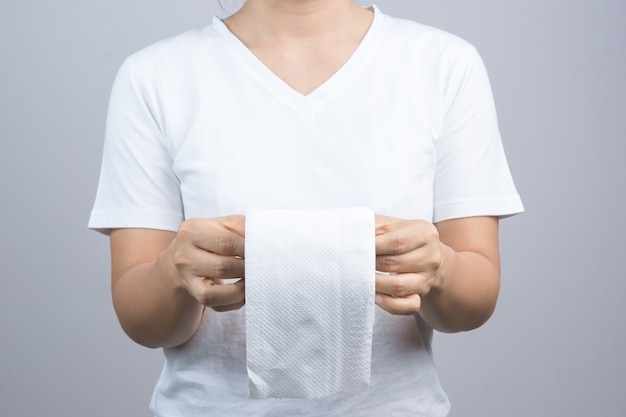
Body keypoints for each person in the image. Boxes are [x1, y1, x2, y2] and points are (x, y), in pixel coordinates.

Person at [89, 0, 523, 415]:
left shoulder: (443, 65)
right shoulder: (155, 77)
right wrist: (173, 273)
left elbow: (474, 299)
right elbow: (142, 320)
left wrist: (440, 268)